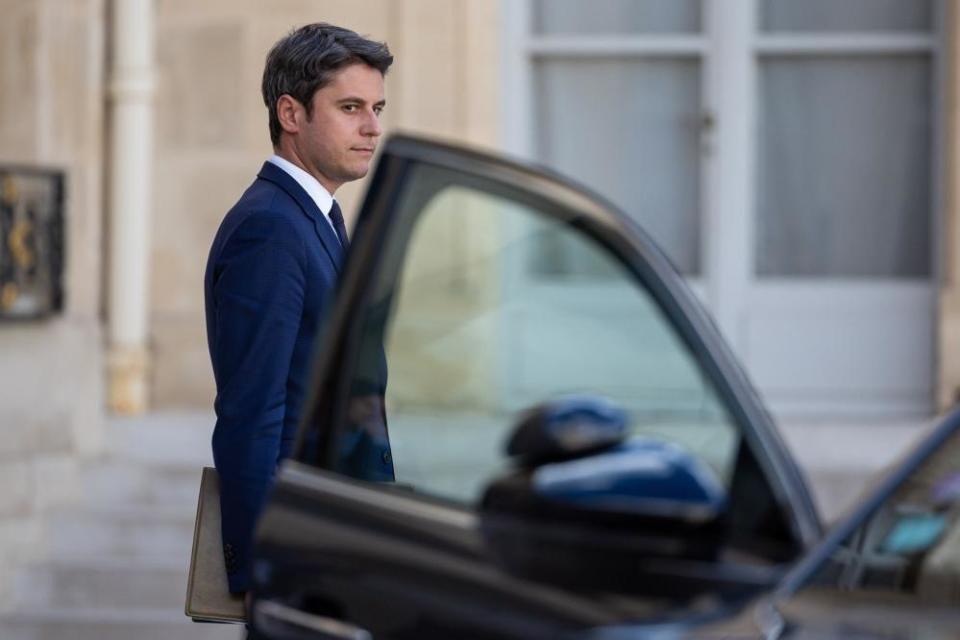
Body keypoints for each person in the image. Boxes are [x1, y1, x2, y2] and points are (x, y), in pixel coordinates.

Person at [203, 22, 394, 601]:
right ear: (292, 113)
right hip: (298, 557)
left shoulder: (315, 218)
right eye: (351, 107)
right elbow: (252, 414)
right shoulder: (271, 228)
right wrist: (261, 573)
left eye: (378, 107)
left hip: (334, 538)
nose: (372, 128)